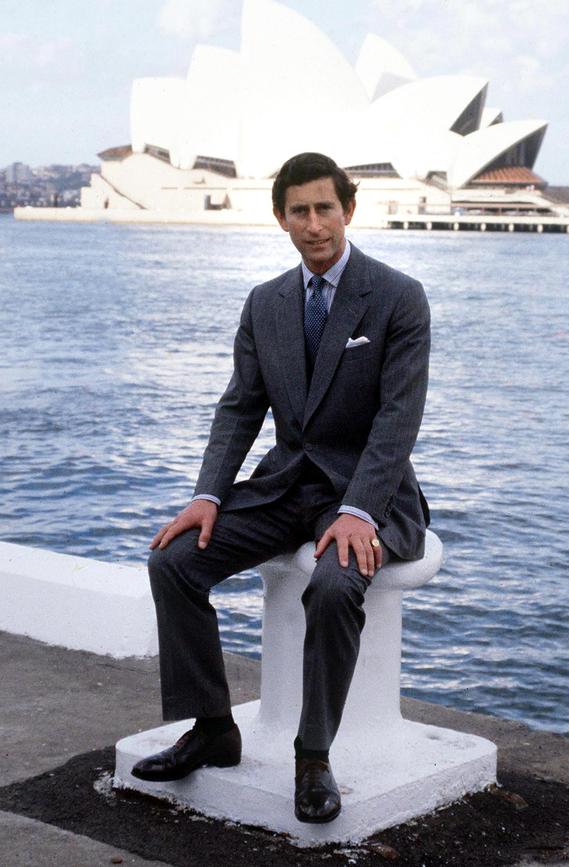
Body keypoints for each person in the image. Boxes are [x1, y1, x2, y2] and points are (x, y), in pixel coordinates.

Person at [132, 152, 431, 824]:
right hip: (286, 485)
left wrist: (359, 510)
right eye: (300, 210)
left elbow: (397, 419)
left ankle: (313, 755)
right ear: (281, 218)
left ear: (348, 210)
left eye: (326, 207)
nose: (315, 222)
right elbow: (241, 405)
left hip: (368, 491)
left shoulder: (397, 296)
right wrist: (208, 493)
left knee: (332, 584)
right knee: (174, 561)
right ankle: (212, 728)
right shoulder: (265, 302)